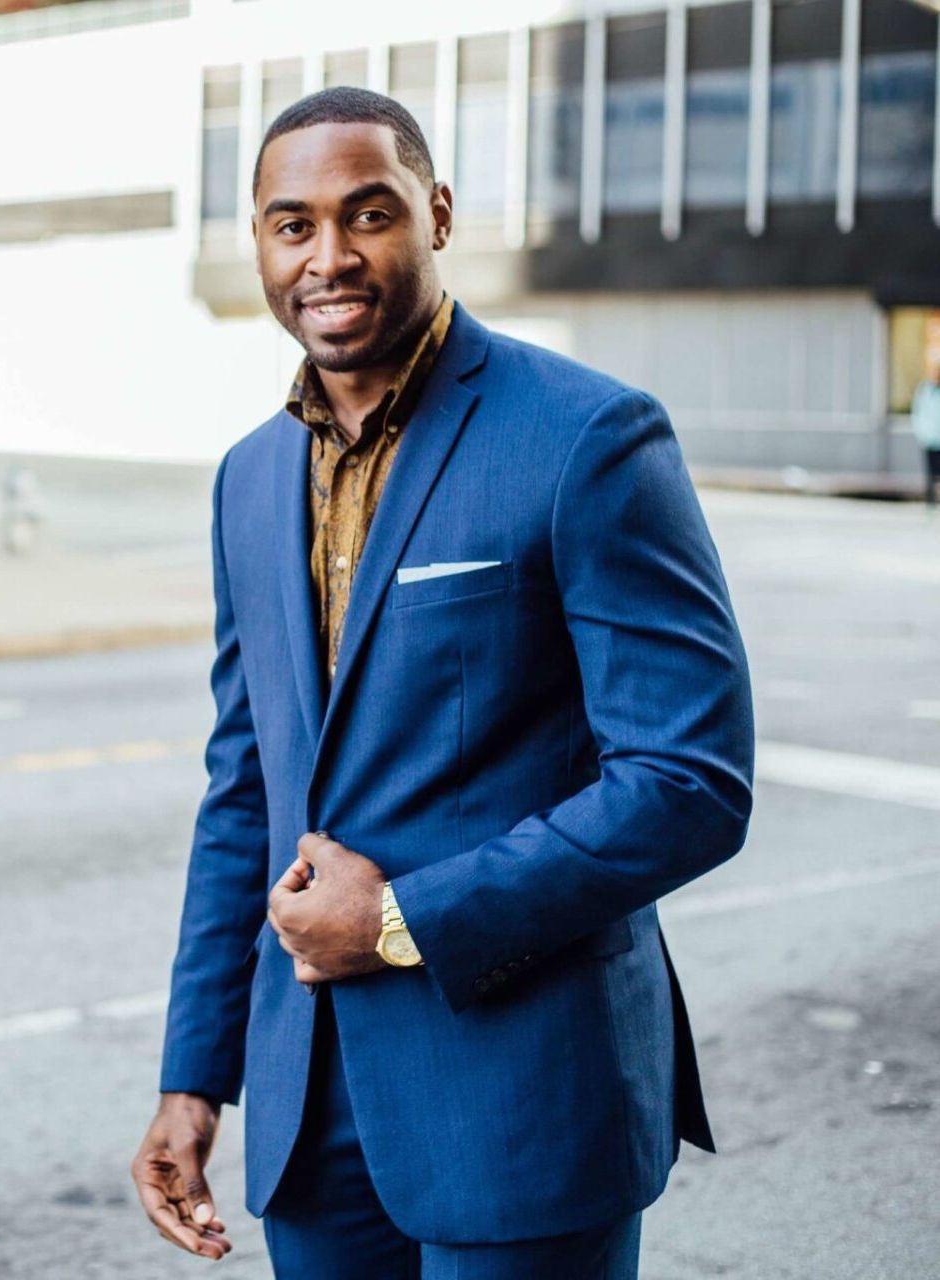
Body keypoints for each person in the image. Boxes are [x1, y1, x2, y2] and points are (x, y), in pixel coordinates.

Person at [131, 87, 755, 1279]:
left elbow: (690, 781)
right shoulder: (249, 479)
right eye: (292, 224)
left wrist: (405, 918)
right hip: (311, 1104)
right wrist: (195, 1073)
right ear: (257, 243)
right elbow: (244, 792)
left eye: (369, 213)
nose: (331, 256)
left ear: (439, 216)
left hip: (523, 1091)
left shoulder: (586, 435)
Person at [910, 366, 940, 506]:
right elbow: (917, 412)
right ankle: (931, 500)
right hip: (929, 437)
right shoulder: (925, 390)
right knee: (930, 472)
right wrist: (921, 432)